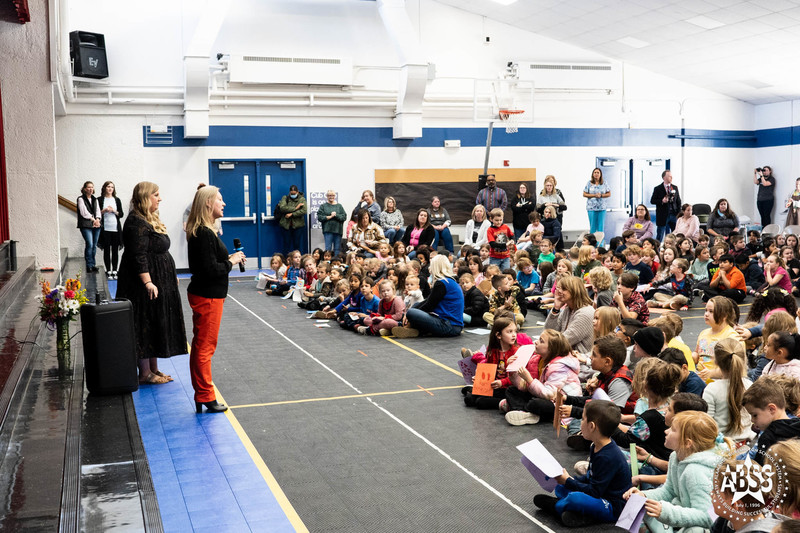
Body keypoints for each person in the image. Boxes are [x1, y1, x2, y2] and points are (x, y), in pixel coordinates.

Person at [116, 181, 187, 385]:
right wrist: (148, 282)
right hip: (140, 285)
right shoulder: (135, 222)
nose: (160, 198)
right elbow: (138, 256)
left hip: (159, 280)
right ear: (146, 197)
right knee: (144, 323)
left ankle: (154, 369)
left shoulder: (148, 218)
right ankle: (145, 372)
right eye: (156, 195)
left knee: (155, 322)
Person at [185, 186, 245, 413]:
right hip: (208, 296)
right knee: (205, 347)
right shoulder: (205, 234)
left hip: (207, 294)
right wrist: (231, 262)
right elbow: (211, 270)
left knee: (202, 345)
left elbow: (208, 263)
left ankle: (203, 394)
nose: (224, 203)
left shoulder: (204, 231)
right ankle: (205, 395)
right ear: (208, 203)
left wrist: (230, 257)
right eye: (219, 199)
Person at [624, 412, 730, 533]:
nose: (666, 431)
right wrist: (644, 495)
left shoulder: (696, 471)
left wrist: (666, 512)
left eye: (673, 430)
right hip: (681, 513)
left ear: (687, 443)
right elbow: (669, 490)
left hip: (701, 527)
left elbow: (708, 516)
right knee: (639, 504)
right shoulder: (676, 456)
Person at [533, 400, 632, 527]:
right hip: (599, 494)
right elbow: (591, 477)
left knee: (576, 498)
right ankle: (582, 514)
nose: (580, 422)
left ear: (591, 426)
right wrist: (569, 480)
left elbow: (595, 491)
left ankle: (555, 506)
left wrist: (569, 481)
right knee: (561, 487)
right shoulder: (596, 446)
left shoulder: (608, 456)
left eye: (583, 419)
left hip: (613, 506)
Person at [504, 329, 581, 425]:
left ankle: (523, 410)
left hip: (560, 404)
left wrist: (529, 380)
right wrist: (512, 370)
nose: (536, 342)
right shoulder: (537, 359)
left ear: (551, 349)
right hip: (542, 395)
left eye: (541, 341)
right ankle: (526, 413)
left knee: (537, 404)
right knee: (511, 391)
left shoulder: (559, 367)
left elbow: (549, 395)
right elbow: (523, 387)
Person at [392, 255, 464, 338]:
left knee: (412, 312)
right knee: (415, 306)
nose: (430, 268)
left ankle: (406, 326)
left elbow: (429, 305)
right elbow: (427, 300)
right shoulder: (449, 281)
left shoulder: (442, 283)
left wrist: (408, 314)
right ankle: (409, 328)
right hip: (450, 324)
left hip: (450, 326)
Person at [702, 338, 754, 442]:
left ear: (716, 361)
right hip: (747, 443)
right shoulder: (749, 385)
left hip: (722, 446)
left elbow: (707, 424)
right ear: (743, 360)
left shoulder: (712, 389)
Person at [742, 378, 800, 465]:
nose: (752, 420)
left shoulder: (767, 437)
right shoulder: (797, 425)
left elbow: (759, 468)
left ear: (771, 409)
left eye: (754, 415)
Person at [545, 276, 595, 353]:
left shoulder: (585, 313)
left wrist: (543, 344)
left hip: (579, 360)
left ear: (574, 291)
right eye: (559, 288)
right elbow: (548, 332)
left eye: (564, 289)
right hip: (566, 355)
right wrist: (556, 308)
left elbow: (565, 341)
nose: (559, 292)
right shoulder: (568, 309)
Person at [97, 180, 124, 279]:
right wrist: (104, 210)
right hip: (105, 228)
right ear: (104, 188)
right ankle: (108, 270)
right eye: (108, 186)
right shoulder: (99, 199)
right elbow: (96, 213)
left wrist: (113, 210)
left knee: (115, 250)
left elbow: (121, 214)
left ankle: (115, 270)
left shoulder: (117, 200)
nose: (110, 189)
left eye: (112, 187)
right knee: (107, 250)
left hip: (115, 228)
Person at [77, 180, 102, 273]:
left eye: (92, 187)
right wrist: (93, 220)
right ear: (84, 189)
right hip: (86, 225)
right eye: (88, 187)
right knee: (90, 244)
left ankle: (93, 264)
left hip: (96, 225)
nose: (91, 189)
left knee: (94, 245)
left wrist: (98, 219)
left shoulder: (95, 199)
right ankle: (88, 265)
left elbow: (98, 211)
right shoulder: (80, 199)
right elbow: (84, 212)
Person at [650, 170, 682, 241]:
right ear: (664, 177)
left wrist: (679, 212)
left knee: (676, 234)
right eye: (669, 176)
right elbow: (652, 201)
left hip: (674, 214)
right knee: (660, 234)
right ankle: (657, 250)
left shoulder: (675, 187)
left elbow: (678, 201)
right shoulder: (658, 188)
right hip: (662, 215)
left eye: (671, 176)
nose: (671, 177)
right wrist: (662, 200)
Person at [277, 185, 307, 255]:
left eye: (294, 193)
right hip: (286, 225)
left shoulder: (302, 199)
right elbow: (282, 208)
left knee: (297, 245)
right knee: (286, 245)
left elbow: (304, 211)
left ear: (297, 192)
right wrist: (296, 208)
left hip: (298, 226)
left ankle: (298, 261)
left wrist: (292, 214)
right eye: (291, 194)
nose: (293, 195)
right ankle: (285, 262)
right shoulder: (285, 198)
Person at [317, 190, 347, 255]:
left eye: (332, 195)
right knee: (328, 248)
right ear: (327, 196)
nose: (331, 197)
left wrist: (336, 215)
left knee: (337, 249)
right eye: (329, 195)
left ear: (335, 196)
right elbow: (320, 217)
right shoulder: (323, 206)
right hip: (327, 231)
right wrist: (329, 217)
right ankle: (328, 263)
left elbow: (344, 217)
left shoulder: (339, 206)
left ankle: (336, 262)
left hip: (338, 231)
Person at [583, 167, 611, 238]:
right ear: (592, 174)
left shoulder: (604, 183)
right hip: (591, 208)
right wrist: (594, 195)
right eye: (595, 172)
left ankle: (600, 245)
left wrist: (601, 195)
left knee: (600, 228)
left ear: (600, 174)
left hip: (602, 208)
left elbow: (609, 193)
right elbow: (584, 194)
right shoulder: (589, 183)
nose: (596, 174)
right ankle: (592, 244)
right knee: (593, 227)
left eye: (598, 173)